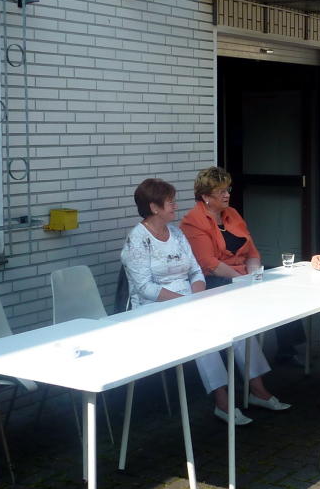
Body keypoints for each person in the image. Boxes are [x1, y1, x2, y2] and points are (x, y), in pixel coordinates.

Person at [121, 177, 289, 425]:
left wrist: (198, 296)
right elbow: (145, 288)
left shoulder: (176, 233)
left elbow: (196, 271)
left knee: (237, 324)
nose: (175, 205)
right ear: (154, 207)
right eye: (170, 202)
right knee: (203, 335)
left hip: (190, 301)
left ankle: (257, 389)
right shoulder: (137, 239)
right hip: (156, 309)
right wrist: (184, 301)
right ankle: (222, 401)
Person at [180, 166, 260, 287]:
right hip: (215, 280)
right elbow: (209, 264)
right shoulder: (193, 221)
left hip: (244, 277)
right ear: (206, 197)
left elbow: (252, 253)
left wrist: (255, 277)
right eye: (221, 192)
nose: (227, 195)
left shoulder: (232, 213)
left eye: (228, 190)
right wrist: (243, 281)